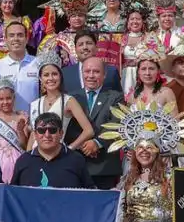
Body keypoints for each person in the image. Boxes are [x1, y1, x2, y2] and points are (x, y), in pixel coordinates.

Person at [101, 100, 184, 222]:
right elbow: (119, 204)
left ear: (158, 152)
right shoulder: (129, 177)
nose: (144, 152)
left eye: (149, 148)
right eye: (140, 148)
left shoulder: (169, 177)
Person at [71, 56, 124, 189]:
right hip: (77, 164)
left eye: (96, 71)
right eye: (87, 71)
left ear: (104, 74)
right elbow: (68, 127)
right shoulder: (72, 97)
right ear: (82, 73)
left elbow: (117, 124)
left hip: (104, 167)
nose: (91, 76)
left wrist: (97, 143)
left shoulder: (116, 97)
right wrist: (85, 145)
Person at [29, 52, 96, 157]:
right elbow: (33, 135)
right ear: (41, 79)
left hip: (58, 155)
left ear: (60, 76)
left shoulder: (68, 101)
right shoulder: (35, 104)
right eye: (46, 75)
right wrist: (28, 157)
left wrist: (69, 149)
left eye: (54, 74)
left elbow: (89, 131)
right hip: (36, 156)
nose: (50, 78)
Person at [11, 114, 94, 188]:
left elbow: (90, 194)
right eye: (41, 130)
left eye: (52, 130)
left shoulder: (76, 160)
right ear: (35, 135)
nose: (47, 135)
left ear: (61, 133)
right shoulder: (23, 161)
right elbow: (13, 194)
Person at [0, 18, 42, 110]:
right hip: (6, 122)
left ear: (26, 39)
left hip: (33, 121)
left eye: (20, 35)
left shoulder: (38, 63)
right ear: (5, 39)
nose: (16, 39)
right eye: (11, 35)